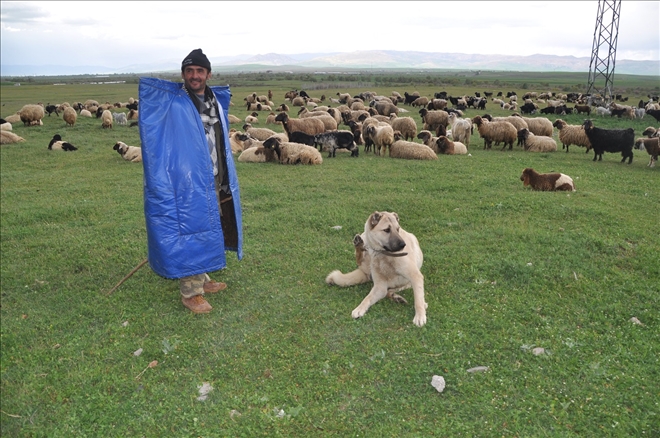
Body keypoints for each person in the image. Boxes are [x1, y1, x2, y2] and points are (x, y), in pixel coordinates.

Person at [138, 49, 243, 314]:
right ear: (183, 74)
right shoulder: (175, 103)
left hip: (215, 174)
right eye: (189, 71)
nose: (194, 76)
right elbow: (157, 138)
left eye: (199, 71)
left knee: (211, 223)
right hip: (186, 178)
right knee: (192, 228)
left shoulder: (214, 100)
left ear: (208, 73)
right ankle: (190, 292)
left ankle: (203, 278)